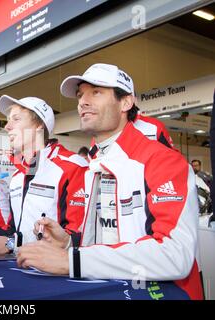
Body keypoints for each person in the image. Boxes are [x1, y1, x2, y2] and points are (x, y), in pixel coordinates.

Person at [17, 63, 203, 300]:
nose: (82, 101)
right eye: (80, 94)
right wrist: (68, 243)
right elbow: (110, 240)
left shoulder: (162, 161)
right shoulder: (94, 164)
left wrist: (72, 260)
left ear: (126, 103)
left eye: (95, 92)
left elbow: (175, 256)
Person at [0, 95, 88, 256]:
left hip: (59, 275)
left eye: (16, 119)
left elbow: (78, 237)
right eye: (8, 120)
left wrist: (12, 244)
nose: (7, 127)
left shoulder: (72, 166)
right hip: (22, 267)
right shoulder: (18, 176)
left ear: (39, 125)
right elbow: (12, 230)